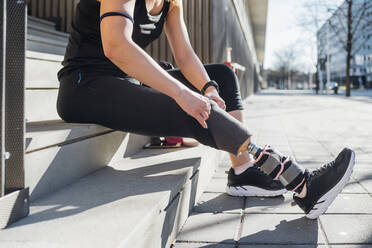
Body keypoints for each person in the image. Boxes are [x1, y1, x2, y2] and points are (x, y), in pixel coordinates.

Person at [57, 0, 355, 219]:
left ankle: (243, 171)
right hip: (86, 85)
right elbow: (117, 46)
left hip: (128, 80)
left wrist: (209, 88)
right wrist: (182, 94)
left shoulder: (171, 3)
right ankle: (302, 185)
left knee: (222, 77)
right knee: (190, 108)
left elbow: (185, 55)